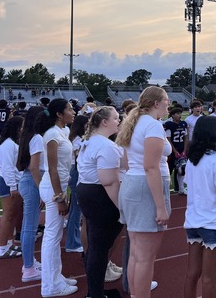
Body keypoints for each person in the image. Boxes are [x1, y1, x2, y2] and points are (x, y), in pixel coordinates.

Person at [116, 86, 171, 298]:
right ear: (156, 103)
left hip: (133, 183)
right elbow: (150, 166)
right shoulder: (152, 126)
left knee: (137, 255)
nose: (168, 104)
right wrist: (160, 206)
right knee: (145, 257)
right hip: (144, 187)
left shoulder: (135, 122)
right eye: (165, 100)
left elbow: (129, 162)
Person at [183, 116, 216, 298]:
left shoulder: (191, 160)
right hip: (212, 223)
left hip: (193, 222)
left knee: (192, 274)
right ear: (212, 132)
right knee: (208, 279)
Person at [76, 106, 124, 298]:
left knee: (96, 246)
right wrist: (123, 208)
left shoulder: (89, 142)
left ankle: (95, 291)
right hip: (99, 196)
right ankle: (95, 293)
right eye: (115, 118)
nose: (118, 120)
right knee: (99, 247)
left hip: (87, 192)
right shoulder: (105, 146)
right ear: (104, 122)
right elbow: (109, 181)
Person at [38, 99, 78, 297]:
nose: (73, 111)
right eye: (69, 109)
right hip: (54, 189)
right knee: (52, 237)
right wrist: (59, 197)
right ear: (59, 114)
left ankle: (56, 277)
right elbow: (52, 168)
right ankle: (50, 286)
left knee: (55, 236)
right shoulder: (52, 134)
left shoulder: (63, 132)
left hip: (59, 187)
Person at [17, 106, 46, 281]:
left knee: (29, 226)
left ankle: (29, 262)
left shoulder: (29, 136)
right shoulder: (36, 138)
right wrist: (42, 189)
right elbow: (34, 166)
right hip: (32, 182)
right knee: (30, 227)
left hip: (28, 181)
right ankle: (28, 269)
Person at [0, 116, 24, 259]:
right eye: (22, 126)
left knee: (12, 216)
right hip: (8, 183)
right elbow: (7, 168)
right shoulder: (8, 145)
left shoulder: (12, 143)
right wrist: (13, 187)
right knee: (8, 216)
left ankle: (7, 244)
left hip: (13, 182)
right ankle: (2, 248)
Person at [64, 114, 89, 254]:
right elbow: (80, 158)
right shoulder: (78, 140)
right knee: (76, 210)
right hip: (77, 173)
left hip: (75, 172)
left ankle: (72, 238)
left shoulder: (75, 138)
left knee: (75, 208)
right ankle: (72, 242)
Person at [164, 107, 189, 194]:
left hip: (182, 149)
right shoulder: (169, 124)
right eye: (177, 113)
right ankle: (165, 189)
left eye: (180, 113)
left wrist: (185, 150)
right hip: (172, 151)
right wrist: (175, 151)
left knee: (182, 169)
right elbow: (168, 139)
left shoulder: (183, 124)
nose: (180, 115)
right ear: (172, 115)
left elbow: (186, 137)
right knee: (169, 170)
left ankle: (181, 189)